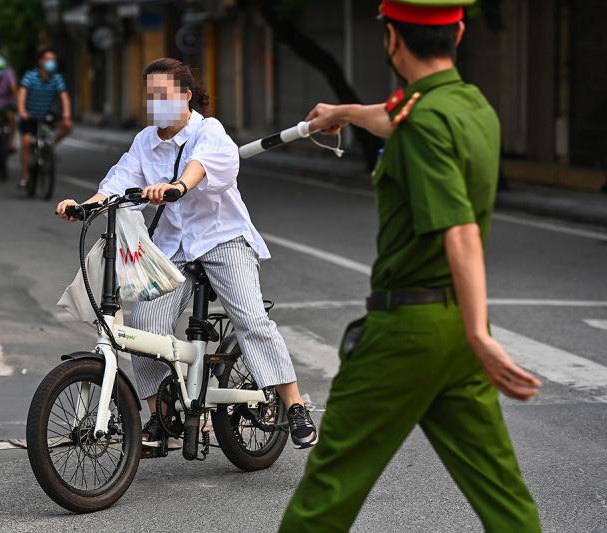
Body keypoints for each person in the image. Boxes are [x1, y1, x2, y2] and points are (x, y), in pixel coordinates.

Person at [280, 1, 543, 531]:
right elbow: (393, 116)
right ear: (460, 33)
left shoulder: (423, 120)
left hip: (408, 331)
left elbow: (461, 230)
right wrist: (345, 113)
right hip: (454, 338)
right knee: (502, 494)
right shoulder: (471, 106)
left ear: (392, 40)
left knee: (327, 490)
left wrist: (481, 333)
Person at [55, 58, 318, 450]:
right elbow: (119, 180)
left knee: (251, 318)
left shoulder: (208, 131)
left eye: (164, 95)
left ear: (186, 95)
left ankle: (294, 405)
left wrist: (177, 186)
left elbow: (204, 166)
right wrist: (85, 205)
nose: (155, 103)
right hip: (172, 247)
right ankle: (161, 416)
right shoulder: (145, 141)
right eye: (150, 95)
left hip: (221, 238)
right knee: (140, 331)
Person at [17, 48, 72, 190]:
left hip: (47, 115)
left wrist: (66, 115)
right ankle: (25, 176)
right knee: (26, 142)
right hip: (30, 116)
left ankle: (50, 146)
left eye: (53, 60)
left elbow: (64, 97)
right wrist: (22, 111)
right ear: (40, 61)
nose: (50, 63)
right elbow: (22, 93)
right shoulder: (30, 76)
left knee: (67, 126)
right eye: (47, 59)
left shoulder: (57, 78)